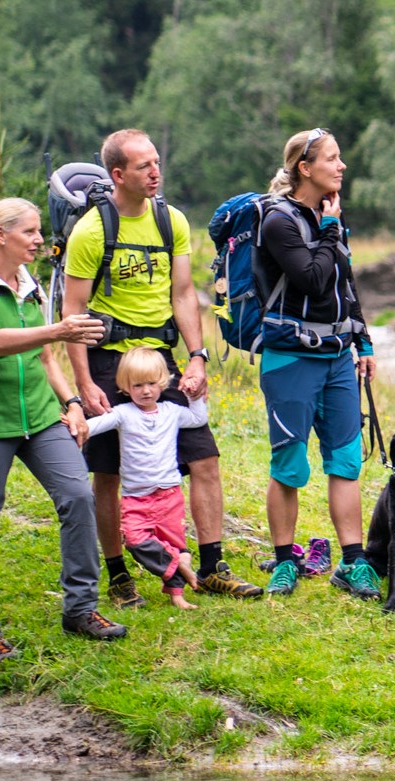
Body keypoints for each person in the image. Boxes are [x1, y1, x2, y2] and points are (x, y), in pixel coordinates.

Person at [64, 129, 261, 606]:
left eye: (157, 162)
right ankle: (116, 575)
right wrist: (85, 384)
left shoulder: (170, 220)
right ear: (118, 175)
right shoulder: (91, 231)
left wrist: (197, 356)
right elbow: (72, 312)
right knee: (108, 472)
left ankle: (213, 566)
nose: (156, 172)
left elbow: (181, 295)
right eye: (143, 166)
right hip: (109, 361)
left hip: (162, 361)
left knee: (204, 456)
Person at [0, 198, 122, 658]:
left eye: (40, 232)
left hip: (40, 416)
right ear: (1, 234)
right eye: (31, 233)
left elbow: (43, 360)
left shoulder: (31, 286)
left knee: (77, 497)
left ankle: (81, 609)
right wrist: (59, 330)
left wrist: (73, 403)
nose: (41, 241)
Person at [255, 127, 381, 598]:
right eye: (333, 158)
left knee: (346, 460)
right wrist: (330, 230)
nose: (342, 166)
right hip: (290, 359)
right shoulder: (278, 221)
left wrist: (362, 341)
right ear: (305, 169)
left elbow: (343, 284)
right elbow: (310, 279)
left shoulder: (331, 217)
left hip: (337, 359)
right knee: (289, 464)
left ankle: (353, 562)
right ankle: (285, 562)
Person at [83, 349, 211, 610]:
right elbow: (93, 427)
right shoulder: (122, 413)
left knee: (172, 543)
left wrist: (191, 396)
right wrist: (75, 423)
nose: (145, 391)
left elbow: (199, 418)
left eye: (151, 383)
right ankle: (180, 565)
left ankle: (177, 594)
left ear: (162, 382)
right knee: (134, 540)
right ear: (125, 387)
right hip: (136, 498)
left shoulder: (171, 411)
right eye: (137, 385)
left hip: (169, 495)